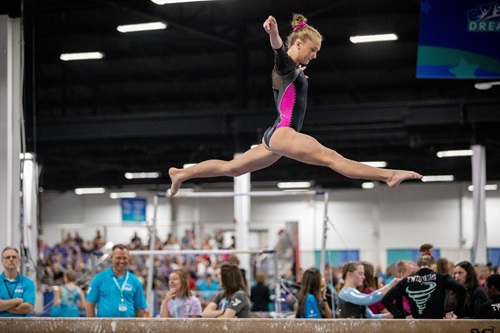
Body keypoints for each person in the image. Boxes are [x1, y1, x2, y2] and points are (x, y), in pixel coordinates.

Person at [167, 13, 422, 197]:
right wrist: (274, 34)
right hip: (284, 132)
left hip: (275, 134)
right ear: (298, 44)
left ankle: (181, 174)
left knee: (232, 168)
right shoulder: (285, 63)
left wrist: (299, 77)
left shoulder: (293, 70)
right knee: (331, 158)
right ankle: (388, 176)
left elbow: (289, 83)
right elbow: (279, 51)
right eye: (313, 49)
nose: (315, 55)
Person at [382, 244, 466, 319]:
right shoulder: (441, 277)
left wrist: (400, 317)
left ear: (419, 266)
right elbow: (462, 289)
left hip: (417, 326)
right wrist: (457, 313)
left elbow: (386, 300)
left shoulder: (406, 281)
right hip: (437, 325)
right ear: (434, 267)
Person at [86, 244, 147, 317]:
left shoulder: (135, 281)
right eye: (118, 258)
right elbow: (90, 304)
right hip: (105, 327)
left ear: (128, 258)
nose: (121, 261)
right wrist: (92, 326)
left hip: (128, 327)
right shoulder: (99, 279)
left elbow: (140, 308)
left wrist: (136, 327)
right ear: (112, 257)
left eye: (124, 258)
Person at [0, 247, 36, 317]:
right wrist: (17, 300)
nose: (11, 259)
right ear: (2, 261)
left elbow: (28, 308)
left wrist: (3, 307)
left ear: (19, 261)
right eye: (7, 257)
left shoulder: (28, 283)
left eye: (14, 257)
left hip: (23, 326)